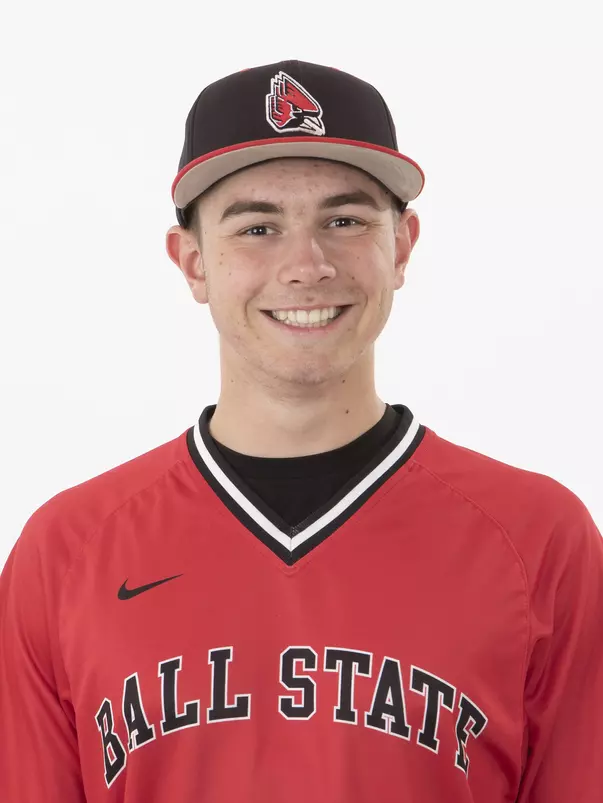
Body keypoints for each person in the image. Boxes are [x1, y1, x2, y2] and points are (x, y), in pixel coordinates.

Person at [1, 59, 601, 803]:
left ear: (402, 246)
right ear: (191, 262)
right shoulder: (66, 549)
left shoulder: (537, 536)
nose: (306, 265)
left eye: (343, 221)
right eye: (257, 227)